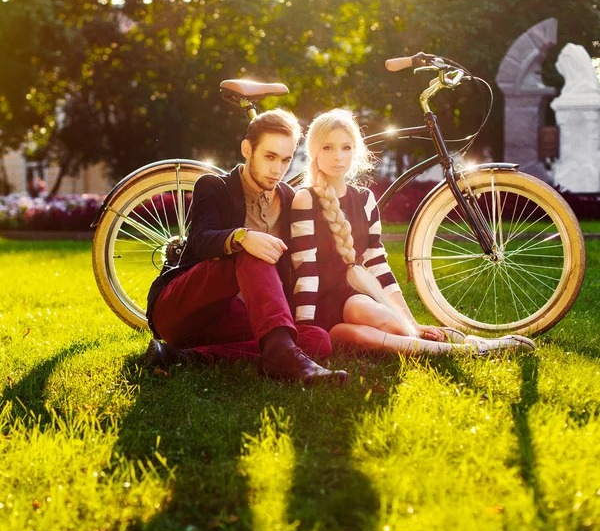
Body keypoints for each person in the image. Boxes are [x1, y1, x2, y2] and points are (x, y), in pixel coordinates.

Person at [290, 109, 535, 356]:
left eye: (346, 147)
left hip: (355, 299)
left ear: (355, 151)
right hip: (321, 310)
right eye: (327, 148)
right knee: (363, 336)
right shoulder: (305, 198)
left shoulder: (365, 199)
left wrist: (411, 321)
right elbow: (305, 270)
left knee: (365, 309)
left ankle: (441, 340)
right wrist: (305, 327)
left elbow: (377, 264)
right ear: (314, 152)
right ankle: (464, 350)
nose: (338, 156)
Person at [145, 108, 348, 385]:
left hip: (236, 317)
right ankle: (282, 356)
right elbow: (201, 240)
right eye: (269, 156)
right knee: (255, 251)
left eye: (286, 159)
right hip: (183, 305)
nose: (277, 169)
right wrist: (243, 237)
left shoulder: (291, 200)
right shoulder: (214, 186)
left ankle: (186, 357)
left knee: (318, 340)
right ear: (247, 149)